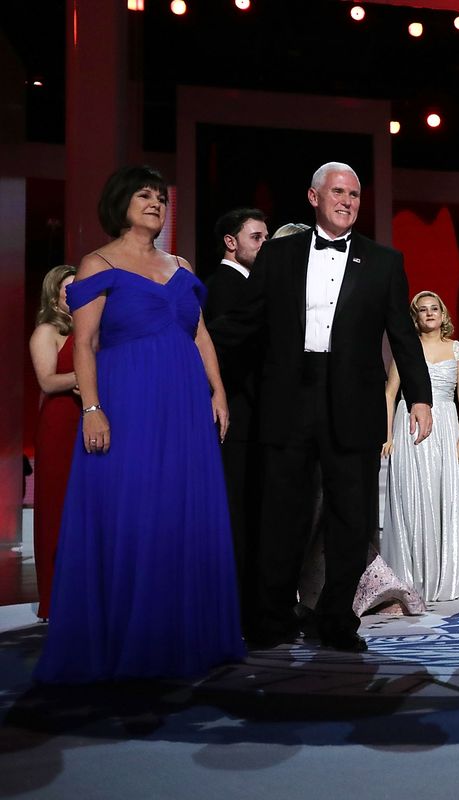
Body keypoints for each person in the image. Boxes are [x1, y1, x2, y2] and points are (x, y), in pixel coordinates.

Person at [209, 162, 433, 653]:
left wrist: (420, 396)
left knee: (351, 520)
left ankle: (336, 620)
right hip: (288, 397)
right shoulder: (279, 254)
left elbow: (402, 334)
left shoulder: (383, 261)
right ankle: (269, 620)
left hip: (353, 400)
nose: (348, 201)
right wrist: (188, 347)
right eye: (338, 192)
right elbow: (245, 322)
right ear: (313, 197)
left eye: (354, 194)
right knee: (281, 515)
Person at [34, 165, 244, 682]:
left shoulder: (179, 264)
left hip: (184, 402)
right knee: (134, 512)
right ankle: (128, 640)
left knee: (179, 512)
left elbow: (199, 335)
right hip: (127, 399)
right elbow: (83, 343)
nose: (154, 202)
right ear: (120, 203)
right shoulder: (96, 262)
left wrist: (216, 389)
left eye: (159, 197)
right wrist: (92, 407)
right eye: (143, 195)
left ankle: (183, 636)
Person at [380, 291, 459, 602]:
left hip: (445, 425)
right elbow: (390, 393)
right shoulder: (406, 348)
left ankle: (450, 573)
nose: (429, 314)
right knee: (411, 496)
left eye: (434, 309)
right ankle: (412, 576)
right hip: (409, 426)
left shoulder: (458, 351)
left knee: (444, 494)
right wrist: (388, 434)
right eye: (422, 310)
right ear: (415, 317)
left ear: (442, 314)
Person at [203, 207, 269, 626]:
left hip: (254, 416)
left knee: (253, 512)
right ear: (231, 241)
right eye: (256, 237)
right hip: (238, 416)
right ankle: (240, 610)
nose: (265, 246)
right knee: (238, 513)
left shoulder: (247, 285)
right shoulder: (223, 286)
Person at [27, 264, 79, 621]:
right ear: (55, 293)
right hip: (60, 424)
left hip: (90, 418)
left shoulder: (93, 329)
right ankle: (54, 597)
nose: (74, 294)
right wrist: (88, 373)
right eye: (68, 288)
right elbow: (47, 381)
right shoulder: (47, 330)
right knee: (56, 506)